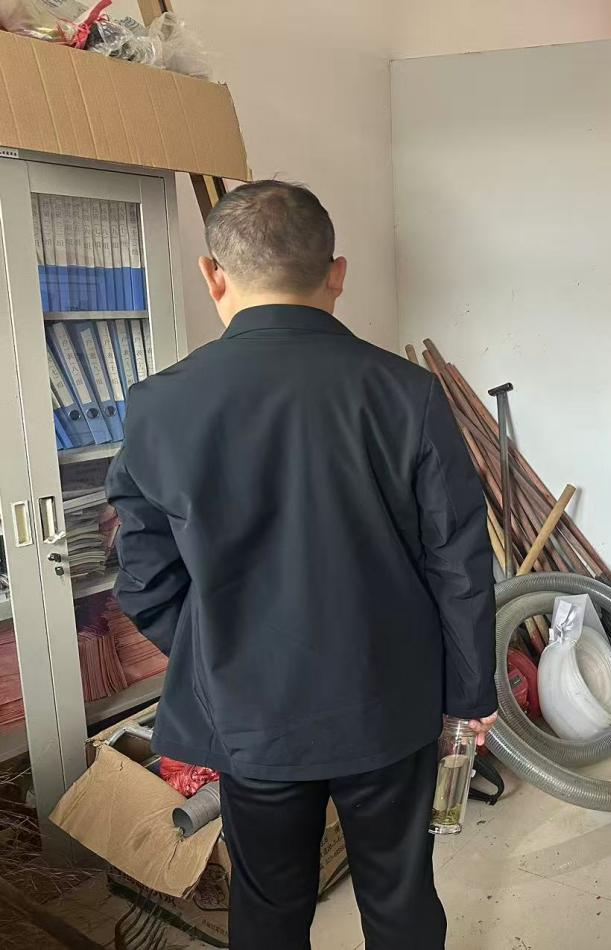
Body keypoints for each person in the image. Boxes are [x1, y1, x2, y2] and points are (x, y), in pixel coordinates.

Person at [106, 180, 497, 950]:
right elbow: (459, 560)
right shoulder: (408, 393)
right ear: (336, 274)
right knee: (400, 897)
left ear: (213, 275)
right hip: (389, 703)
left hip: (251, 711)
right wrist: (470, 690)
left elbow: (143, 574)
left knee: (269, 907)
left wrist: (217, 646)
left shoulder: (161, 405)